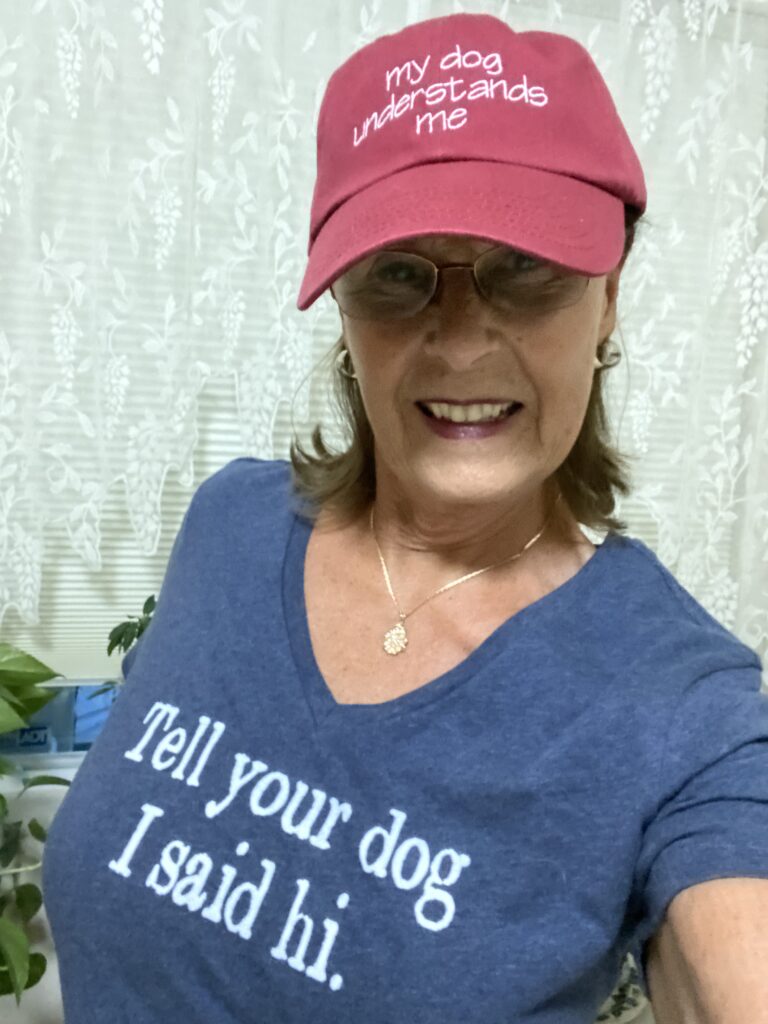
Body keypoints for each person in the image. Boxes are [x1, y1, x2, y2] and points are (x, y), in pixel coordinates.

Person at [41, 12, 768, 1024]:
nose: (463, 341)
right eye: (398, 273)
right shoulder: (232, 525)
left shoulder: (688, 704)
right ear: (343, 304)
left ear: (608, 300)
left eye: (526, 267)